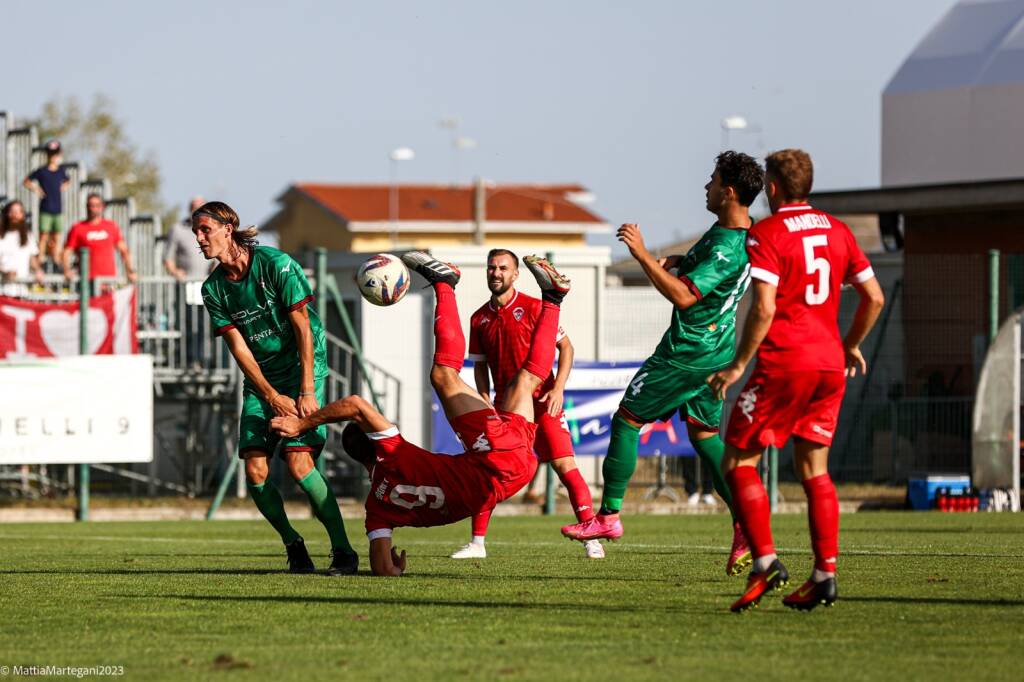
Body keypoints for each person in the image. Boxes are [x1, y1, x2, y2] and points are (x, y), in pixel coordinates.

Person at [270, 251, 571, 577]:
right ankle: (445, 284)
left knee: (523, 383)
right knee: (444, 376)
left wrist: (394, 569)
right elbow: (356, 405)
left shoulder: (376, 508)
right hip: (496, 460)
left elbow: (383, 568)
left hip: (508, 478)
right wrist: (302, 423)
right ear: (375, 441)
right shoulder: (393, 453)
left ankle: (552, 297)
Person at [562, 151, 763, 578]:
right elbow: (691, 271)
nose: (705, 186)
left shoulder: (729, 247)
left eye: (711, 181)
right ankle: (747, 524)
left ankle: (609, 516)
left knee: (627, 420)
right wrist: (667, 262)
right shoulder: (734, 233)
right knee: (705, 435)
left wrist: (641, 254)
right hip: (715, 351)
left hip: (686, 353)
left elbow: (685, 295)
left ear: (728, 191)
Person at [708, 149, 885, 612]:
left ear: (771, 188)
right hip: (829, 366)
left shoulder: (768, 233)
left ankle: (766, 563)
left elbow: (764, 308)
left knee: (738, 461)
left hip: (786, 361)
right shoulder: (839, 230)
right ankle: (825, 576)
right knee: (814, 470)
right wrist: (849, 344)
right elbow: (875, 297)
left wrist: (739, 364)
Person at [194, 200, 358, 575]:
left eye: (205, 230)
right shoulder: (213, 289)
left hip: (304, 370)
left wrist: (306, 391)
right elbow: (239, 347)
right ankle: (293, 544)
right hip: (262, 382)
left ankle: (344, 551)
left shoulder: (277, 265)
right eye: (196, 233)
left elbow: (302, 326)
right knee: (254, 470)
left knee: (300, 465)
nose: (200, 239)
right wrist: (268, 395)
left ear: (228, 227)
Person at [449, 248, 602, 560]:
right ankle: (477, 543)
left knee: (565, 466)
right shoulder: (479, 318)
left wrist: (558, 388)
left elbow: (566, 348)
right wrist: (483, 398)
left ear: (515, 274)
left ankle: (591, 535)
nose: (496, 273)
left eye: (503, 268)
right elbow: (479, 366)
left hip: (543, 401)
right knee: (488, 469)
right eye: (491, 268)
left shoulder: (535, 307)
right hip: (506, 407)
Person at [62, 194, 137, 287]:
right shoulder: (77, 228)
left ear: (102, 207)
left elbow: (124, 251)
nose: (93, 209)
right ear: (86, 207)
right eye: (91, 205)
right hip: (87, 282)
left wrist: (130, 271)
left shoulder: (111, 226)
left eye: (97, 205)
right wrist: (66, 270)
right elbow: (66, 252)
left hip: (108, 281)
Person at [23, 139, 70, 267]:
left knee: (57, 235)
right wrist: (36, 189)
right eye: (51, 154)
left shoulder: (61, 170)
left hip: (58, 208)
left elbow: (68, 181)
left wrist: (64, 186)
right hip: (45, 207)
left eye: (55, 154)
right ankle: (41, 258)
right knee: (43, 235)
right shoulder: (41, 171)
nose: (53, 157)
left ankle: (56, 257)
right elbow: (26, 181)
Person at [0, 200, 45, 297]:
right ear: (6, 214)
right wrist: (5, 273)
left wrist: (37, 270)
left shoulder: (28, 236)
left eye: (18, 212)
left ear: (22, 215)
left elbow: (32, 258)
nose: (15, 215)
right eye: (12, 211)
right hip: (3, 291)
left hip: (21, 292)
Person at [164, 196, 212, 281]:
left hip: (208, 284)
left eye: (201, 209)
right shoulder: (177, 229)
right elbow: (168, 258)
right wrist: (175, 272)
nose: (198, 212)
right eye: (194, 208)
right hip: (183, 285)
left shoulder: (213, 230)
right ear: (189, 210)